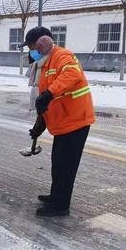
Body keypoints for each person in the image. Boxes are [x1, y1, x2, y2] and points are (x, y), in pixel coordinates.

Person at [20, 27, 95, 217]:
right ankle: (56, 196)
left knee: (66, 166)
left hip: (76, 121)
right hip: (63, 122)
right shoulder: (45, 63)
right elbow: (46, 100)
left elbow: (72, 76)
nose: (30, 51)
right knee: (58, 163)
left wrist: (49, 93)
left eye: (31, 47)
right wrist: (40, 125)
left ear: (41, 44)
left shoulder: (63, 56)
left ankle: (60, 206)